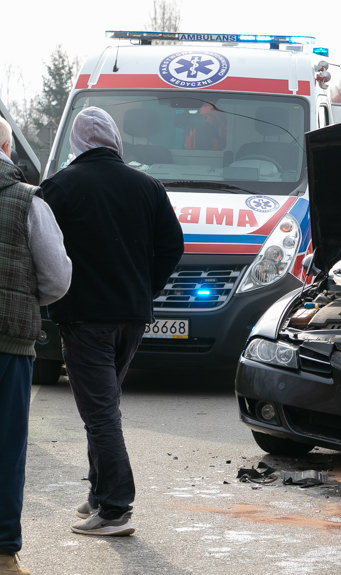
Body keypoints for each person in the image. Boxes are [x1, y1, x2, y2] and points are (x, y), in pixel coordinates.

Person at [41, 107, 184, 537]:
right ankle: (100, 493)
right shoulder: (147, 186)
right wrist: (145, 289)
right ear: (114, 139)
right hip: (133, 318)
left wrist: (54, 295)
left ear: (77, 142)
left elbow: (44, 250)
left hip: (85, 318)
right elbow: (173, 246)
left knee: (100, 413)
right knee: (102, 407)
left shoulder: (60, 187)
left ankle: (116, 507)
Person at [0, 118, 72, 574]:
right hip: (9, 342)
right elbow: (57, 278)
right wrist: (26, 296)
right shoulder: (30, 201)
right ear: (7, 145)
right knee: (7, 448)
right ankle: (4, 554)